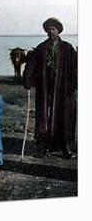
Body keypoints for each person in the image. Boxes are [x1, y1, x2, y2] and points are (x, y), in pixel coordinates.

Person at [23, 18, 77, 158]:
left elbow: (75, 67)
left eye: (53, 29)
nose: (50, 32)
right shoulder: (41, 48)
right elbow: (32, 64)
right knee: (43, 115)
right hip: (45, 86)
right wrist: (28, 79)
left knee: (64, 115)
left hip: (63, 88)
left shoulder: (67, 48)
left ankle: (65, 147)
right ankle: (43, 146)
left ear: (58, 31)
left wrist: (74, 84)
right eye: (48, 29)